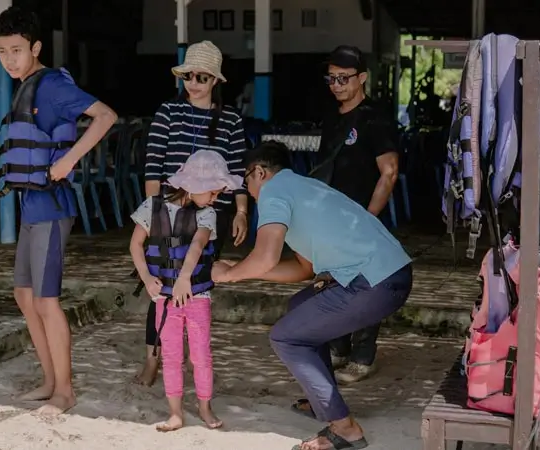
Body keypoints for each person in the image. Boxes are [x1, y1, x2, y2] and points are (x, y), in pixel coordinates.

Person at [211, 141, 413, 450]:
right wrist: (241, 269)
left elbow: (265, 257)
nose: (248, 190)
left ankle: (345, 429)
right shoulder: (303, 187)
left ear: (260, 172)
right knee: (299, 306)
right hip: (391, 274)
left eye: (246, 180)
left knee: (286, 337)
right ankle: (324, 402)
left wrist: (227, 273)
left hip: (374, 282)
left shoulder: (274, 191)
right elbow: (303, 269)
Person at [0, 6, 118, 416]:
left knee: (46, 300)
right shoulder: (26, 83)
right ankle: (49, 380)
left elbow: (105, 117)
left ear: (36, 47)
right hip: (32, 204)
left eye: (16, 50)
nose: (9, 59)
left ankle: (64, 392)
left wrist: (69, 161)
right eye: (2, 51)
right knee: (23, 294)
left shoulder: (50, 86)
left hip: (51, 206)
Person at [138, 40, 248, 386]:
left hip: (212, 216)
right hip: (169, 211)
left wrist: (242, 210)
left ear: (215, 80)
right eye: (189, 75)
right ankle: (153, 357)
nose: (194, 82)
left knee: (198, 285)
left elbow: (238, 167)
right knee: (162, 283)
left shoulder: (229, 119)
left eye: (202, 76)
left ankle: (195, 361)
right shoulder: (168, 112)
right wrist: (155, 215)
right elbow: (153, 165)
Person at [129, 150, 242, 432]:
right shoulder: (150, 207)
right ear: (194, 186)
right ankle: (175, 413)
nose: (215, 198)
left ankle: (205, 407)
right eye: (213, 192)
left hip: (196, 296)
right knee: (170, 355)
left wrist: (184, 279)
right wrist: (146, 279)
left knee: (201, 354)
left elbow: (197, 245)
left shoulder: (208, 214)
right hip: (163, 298)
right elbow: (135, 245)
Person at [314, 45, 399, 385]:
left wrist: (369, 217)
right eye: (331, 78)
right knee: (332, 282)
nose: (336, 85)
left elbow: (389, 172)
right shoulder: (332, 117)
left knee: (365, 286)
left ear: (362, 78)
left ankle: (363, 357)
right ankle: (338, 349)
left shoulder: (375, 118)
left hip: (363, 219)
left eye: (343, 78)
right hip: (331, 219)